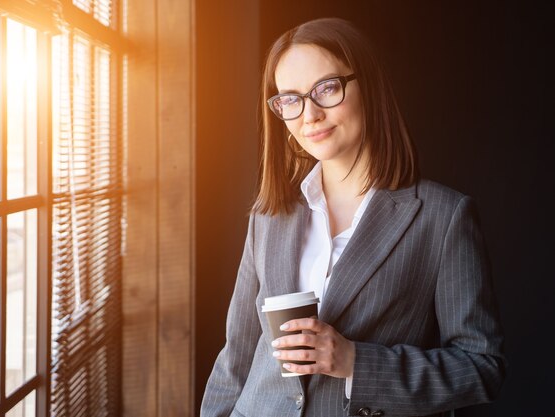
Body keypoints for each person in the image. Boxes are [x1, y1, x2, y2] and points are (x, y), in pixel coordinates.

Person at [201, 17, 505, 417]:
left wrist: (355, 362)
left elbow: (482, 366)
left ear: (369, 87)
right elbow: (235, 358)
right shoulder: (270, 215)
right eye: (289, 99)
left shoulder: (443, 217)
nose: (308, 115)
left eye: (326, 88)